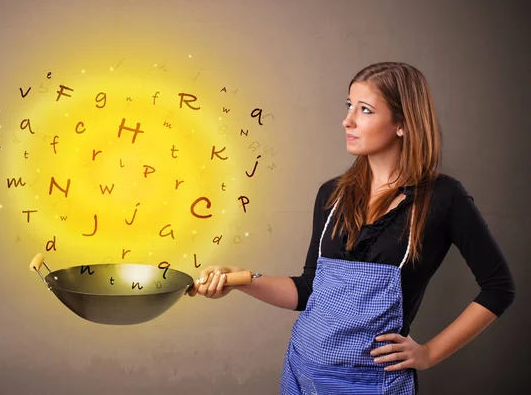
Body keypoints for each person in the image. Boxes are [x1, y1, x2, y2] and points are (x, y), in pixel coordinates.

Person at [187, 62, 515, 394]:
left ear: (402, 123)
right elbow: (308, 289)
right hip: (301, 371)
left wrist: (428, 353)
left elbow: (499, 288)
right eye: (349, 106)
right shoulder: (332, 194)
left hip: (372, 382)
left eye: (366, 110)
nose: (348, 120)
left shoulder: (443, 198)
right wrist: (243, 280)